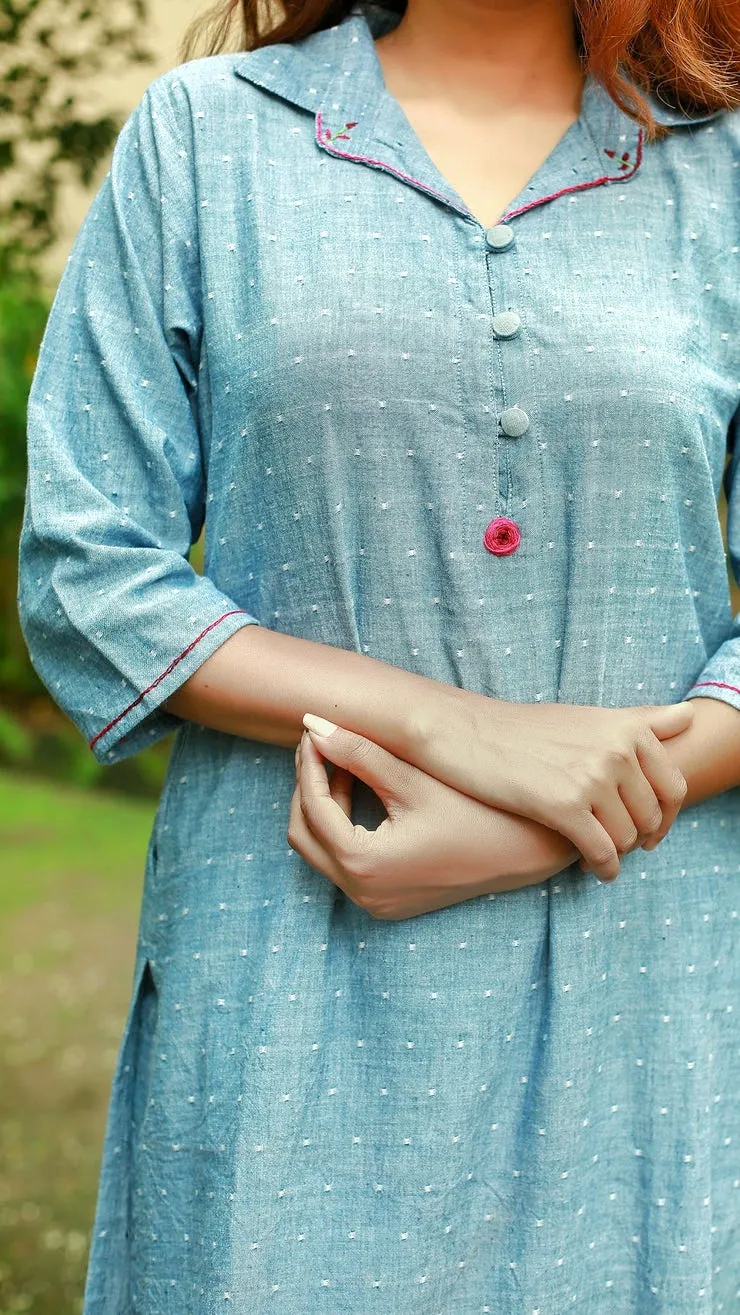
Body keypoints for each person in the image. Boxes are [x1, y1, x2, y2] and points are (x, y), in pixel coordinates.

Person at [17, 0, 740, 1308]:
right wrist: (452, 726)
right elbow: (86, 570)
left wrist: (540, 825)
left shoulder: (724, 168)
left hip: (647, 1013)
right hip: (284, 998)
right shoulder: (207, 142)